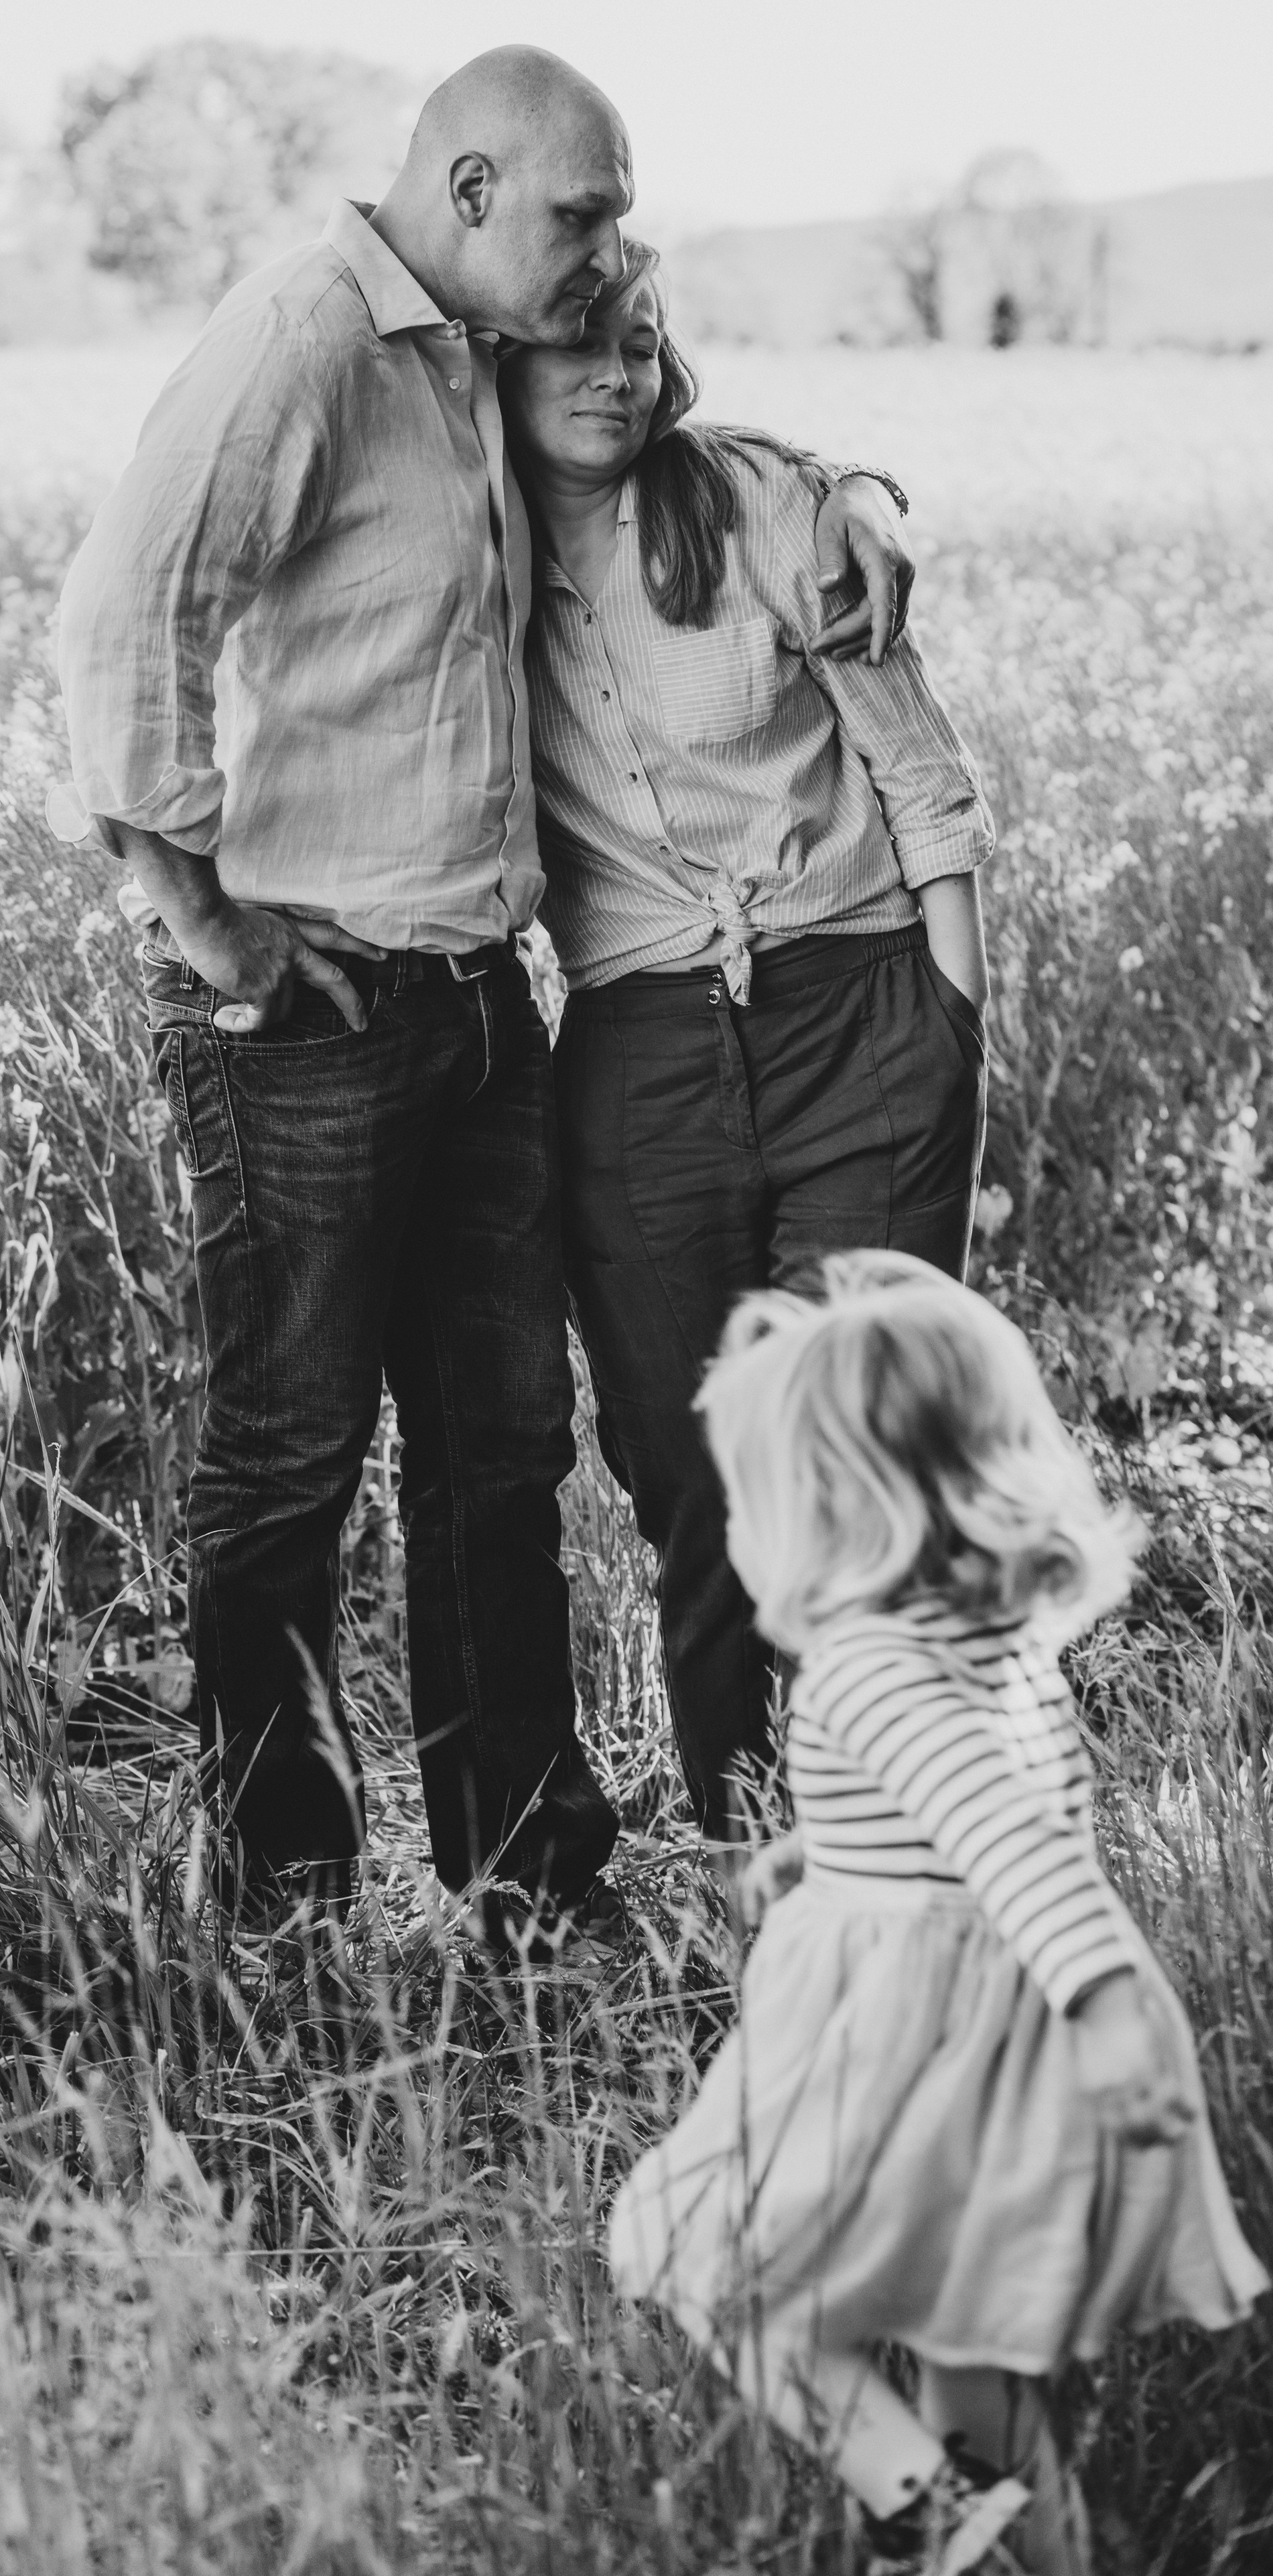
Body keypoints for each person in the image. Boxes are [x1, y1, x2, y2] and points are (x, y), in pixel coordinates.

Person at [52, 46, 913, 1939]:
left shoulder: (478, 372)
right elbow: (127, 611)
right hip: (305, 1014)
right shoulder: (303, 340)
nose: (609, 248)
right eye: (582, 211)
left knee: (498, 1444)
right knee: (288, 1461)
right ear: (464, 189)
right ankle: (282, 1892)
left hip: (477, 1002)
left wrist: (851, 489)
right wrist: (210, 921)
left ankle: (527, 1870)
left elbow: (692, 470)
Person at [608, 1255, 1267, 2573]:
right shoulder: (991, 1641)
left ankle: (925, 2509)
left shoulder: (861, 1664)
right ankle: (1034, 2546)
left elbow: (1013, 1848)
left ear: (825, 1504)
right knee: (979, 2373)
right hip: (1014, 2051)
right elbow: (962, 1809)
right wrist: (829, 1852)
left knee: (695, 2256)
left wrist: (1113, 2006)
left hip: (922, 2048)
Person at [498, 239, 990, 1847]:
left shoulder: (757, 510)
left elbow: (919, 772)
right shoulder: (462, 552)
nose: (610, 377)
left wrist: (950, 1016)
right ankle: (743, 1841)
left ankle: (905, 1831)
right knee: (694, 1481)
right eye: (573, 346)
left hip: (859, 1015)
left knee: (868, 1450)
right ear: (498, 367)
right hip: (638, 1056)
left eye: (637, 346)